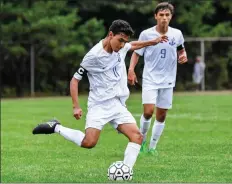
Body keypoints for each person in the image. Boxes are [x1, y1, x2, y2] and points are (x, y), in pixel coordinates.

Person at [32, 19, 168, 169]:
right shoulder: (93, 56)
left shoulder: (121, 46)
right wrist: (76, 106)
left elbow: (132, 45)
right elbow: (74, 81)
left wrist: (152, 42)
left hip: (117, 104)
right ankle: (56, 127)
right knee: (88, 143)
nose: (122, 45)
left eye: (124, 41)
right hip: (99, 105)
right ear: (110, 35)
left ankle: (125, 171)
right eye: (120, 40)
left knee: (137, 137)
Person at [127, 2, 188, 155]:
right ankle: (141, 142)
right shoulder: (147, 34)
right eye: (161, 15)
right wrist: (131, 69)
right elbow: (136, 53)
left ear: (171, 17)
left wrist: (183, 55)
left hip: (168, 80)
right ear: (156, 16)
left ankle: (152, 147)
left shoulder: (177, 34)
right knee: (148, 112)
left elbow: (181, 49)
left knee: (161, 115)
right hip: (150, 79)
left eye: (167, 15)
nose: (164, 18)